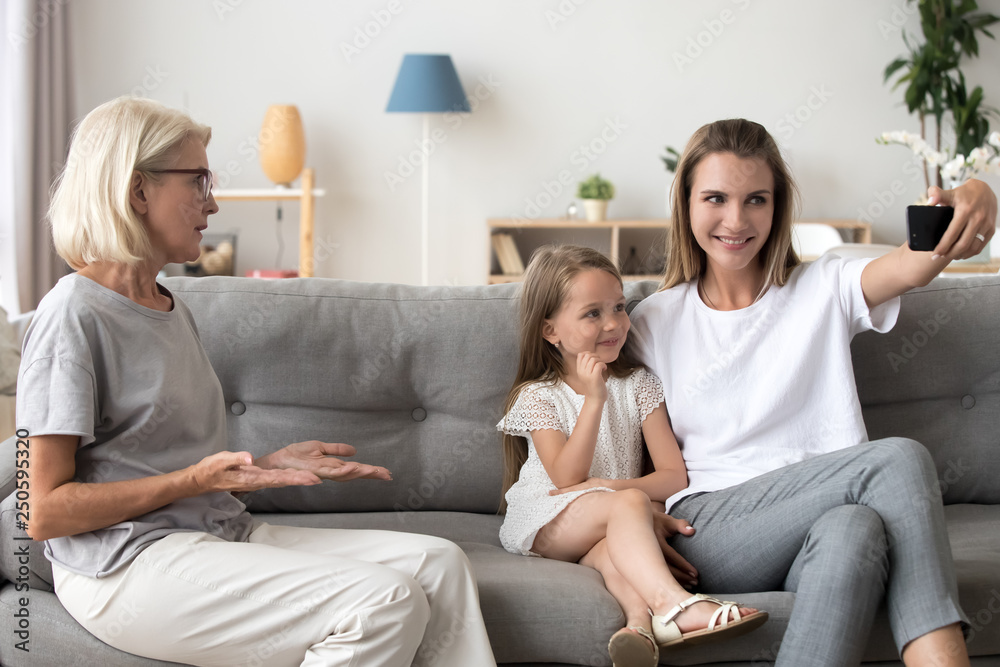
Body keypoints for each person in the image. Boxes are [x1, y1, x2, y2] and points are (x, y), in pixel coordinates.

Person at [19, 96, 497, 667]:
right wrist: (193, 479)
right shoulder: (73, 313)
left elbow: (176, 469)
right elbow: (41, 510)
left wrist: (264, 467)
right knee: (383, 602)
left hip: (217, 533)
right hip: (124, 563)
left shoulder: (172, 307)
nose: (212, 203)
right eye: (198, 181)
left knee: (440, 564)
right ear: (137, 190)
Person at [627, 118, 998, 667]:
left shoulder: (824, 286)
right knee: (896, 459)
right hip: (713, 527)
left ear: (777, 207)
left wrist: (978, 193)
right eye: (715, 198)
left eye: (756, 199)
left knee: (855, 532)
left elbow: (915, 265)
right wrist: (634, 514)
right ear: (685, 205)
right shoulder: (652, 320)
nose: (735, 219)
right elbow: (613, 446)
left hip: (825, 519)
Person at [497, 245, 768, 667]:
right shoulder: (539, 396)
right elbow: (567, 480)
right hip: (547, 519)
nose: (613, 324)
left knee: (611, 552)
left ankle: (640, 627)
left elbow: (673, 476)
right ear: (550, 330)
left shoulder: (639, 384)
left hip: (602, 522)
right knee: (627, 506)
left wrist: (623, 500)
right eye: (592, 313)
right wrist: (594, 400)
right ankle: (678, 605)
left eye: (619, 307)